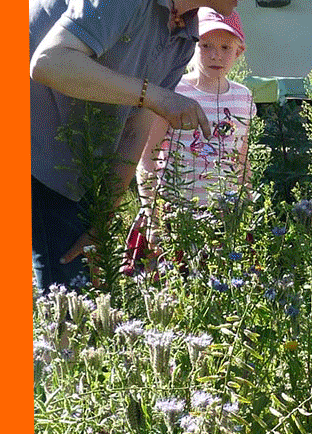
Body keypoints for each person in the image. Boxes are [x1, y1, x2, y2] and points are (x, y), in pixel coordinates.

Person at [30, 0, 237, 290]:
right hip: (36, 146)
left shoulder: (184, 35)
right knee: (68, 301)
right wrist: (156, 96)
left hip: (72, 160)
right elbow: (48, 62)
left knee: (79, 295)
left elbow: (137, 125)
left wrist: (102, 218)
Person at [127, 7, 257, 274]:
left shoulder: (244, 97)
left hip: (222, 212)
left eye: (225, 47)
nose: (215, 55)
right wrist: (152, 214)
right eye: (206, 45)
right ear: (192, 46)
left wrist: (247, 205)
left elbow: (241, 159)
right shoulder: (173, 91)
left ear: (239, 51)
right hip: (175, 213)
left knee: (221, 287)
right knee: (174, 287)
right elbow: (148, 157)